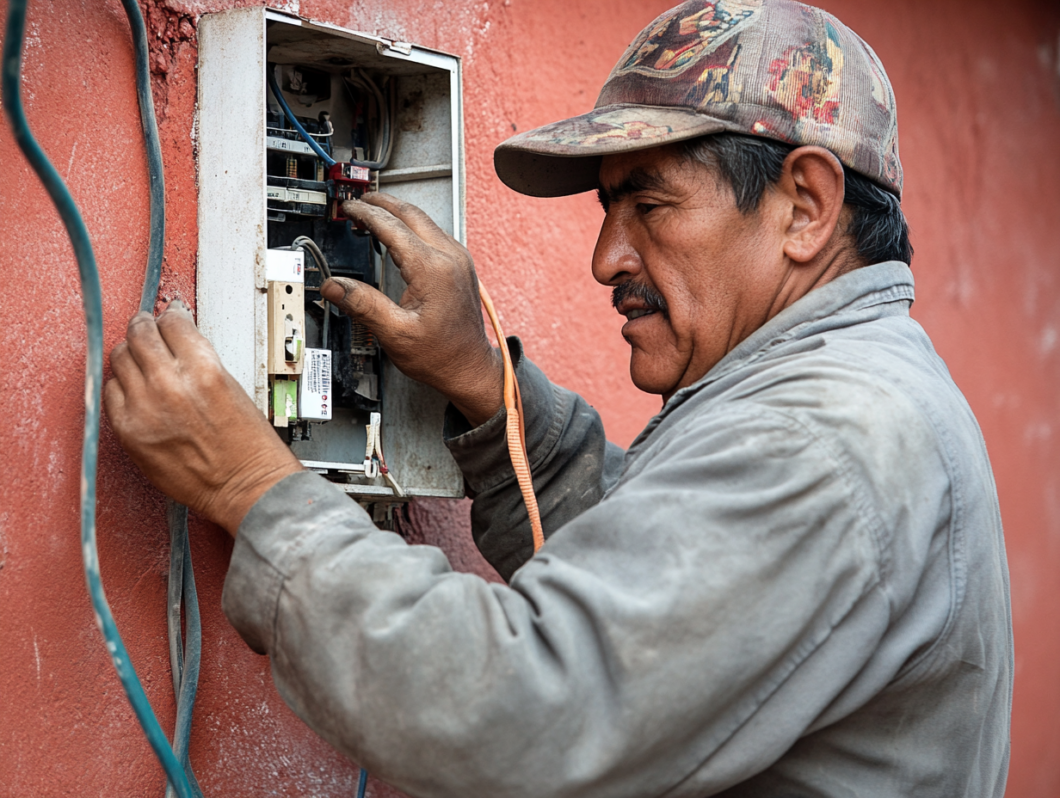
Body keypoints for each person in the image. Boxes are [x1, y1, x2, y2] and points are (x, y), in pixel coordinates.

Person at [104, 0, 1013, 795]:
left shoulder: (828, 437)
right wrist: (488, 391)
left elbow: (520, 711)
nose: (606, 259)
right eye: (606, 211)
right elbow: (659, 606)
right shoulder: (853, 389)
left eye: (648, 206)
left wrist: (256, 492)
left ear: (805, 206)